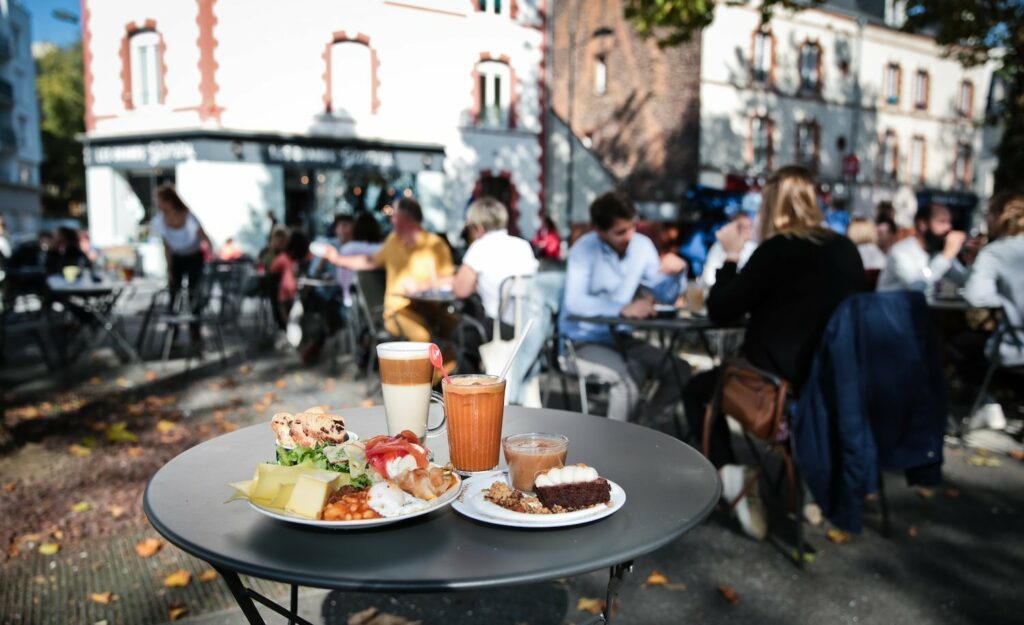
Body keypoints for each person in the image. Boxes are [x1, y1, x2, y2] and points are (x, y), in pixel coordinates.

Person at [683, 165, 865, 539]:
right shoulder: (846, 249)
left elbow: (722, 309)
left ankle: (731, 475)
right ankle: (807, 484)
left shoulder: (778, 250)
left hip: (777, 390)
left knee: (697, 391)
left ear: (770, 206)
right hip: (839, 389)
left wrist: (731, 257)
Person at [559, 191, 690, 422]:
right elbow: (574, 302)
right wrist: (620, 308)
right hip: (581, 342)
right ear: (600, 231)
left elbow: (663, 295)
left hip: (621, 338)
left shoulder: (642, 246)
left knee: (679, 370)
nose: (629, 235)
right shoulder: (584, 249)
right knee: (627, 380)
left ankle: (647, 434)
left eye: (632, 227)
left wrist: (677, 275)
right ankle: (611, 452)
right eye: (620, 232)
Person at [312, 197, 459, 360]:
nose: (391, 219)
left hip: (431, 308)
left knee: (460, 327)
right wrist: (337, 259)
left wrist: (421, 285)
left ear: (405, 218)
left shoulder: (435, 244)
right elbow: (368, 261)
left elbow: (451, 279)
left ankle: (453, 374)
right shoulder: (392, 241)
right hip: (397, 310)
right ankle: (434, 380)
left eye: (394, 215)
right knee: (423, 339)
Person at [959, 192, 1024, 429]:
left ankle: (989, 404)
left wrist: (1003, 299)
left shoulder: (997, 251)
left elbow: (975, 296)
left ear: (999, 217)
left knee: (960, 345)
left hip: (1016, 344)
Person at [453, 197, 539, 339]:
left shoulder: (480, 247)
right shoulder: (523, 245)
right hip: (528, 323)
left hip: (500, 328)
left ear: (478, 228)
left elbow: (460, 290)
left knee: (459, 330)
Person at [877, 204, 967, 293]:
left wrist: (970, 261)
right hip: (893, 306)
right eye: (942, 222)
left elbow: (963, 282)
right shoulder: (900, 252)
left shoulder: (938, 251)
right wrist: (946, 256)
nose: (949, 227)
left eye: (949, 222)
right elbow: (917, 287)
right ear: (922, 224)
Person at [701, 204, 757, 287]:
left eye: (750, 226)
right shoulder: (719, 246)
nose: (748, 230)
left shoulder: (755, 248)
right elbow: (709, 276)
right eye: (743, 227)